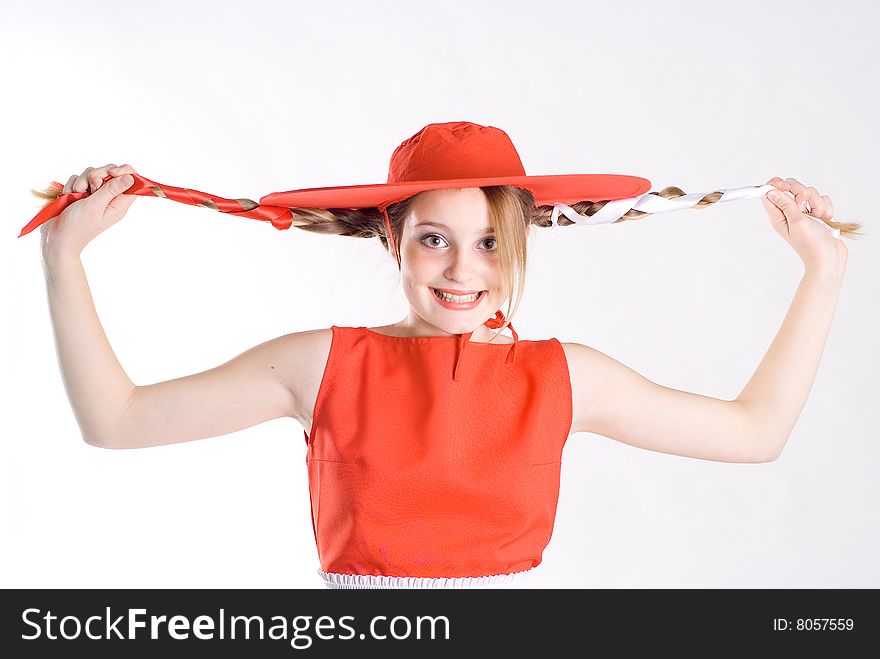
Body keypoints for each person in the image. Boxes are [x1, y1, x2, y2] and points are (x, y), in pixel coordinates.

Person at [36, 121, 850, 589]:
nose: (465, 271)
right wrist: (63, 259)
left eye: (492, 241)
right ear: (392, 239)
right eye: (435, 239)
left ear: (525, 240)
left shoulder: (566, 377)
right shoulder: (322, 364)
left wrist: (825, 270)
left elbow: (754, 432)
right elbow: (118, 420)